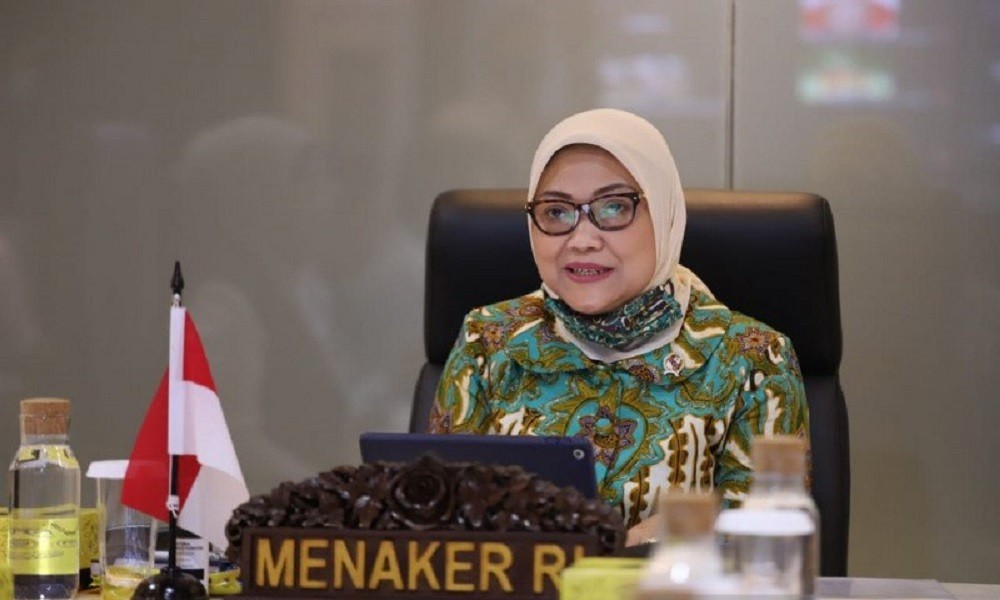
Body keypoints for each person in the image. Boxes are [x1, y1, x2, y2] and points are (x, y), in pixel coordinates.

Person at [428, 108, 808, 544]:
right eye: (556, 212)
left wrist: (663, 537)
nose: (582, 240)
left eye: (613, 208)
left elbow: (770, 542)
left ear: (663, 213)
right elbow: (434, 526)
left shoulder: (753, 358)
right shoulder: (488, 341)